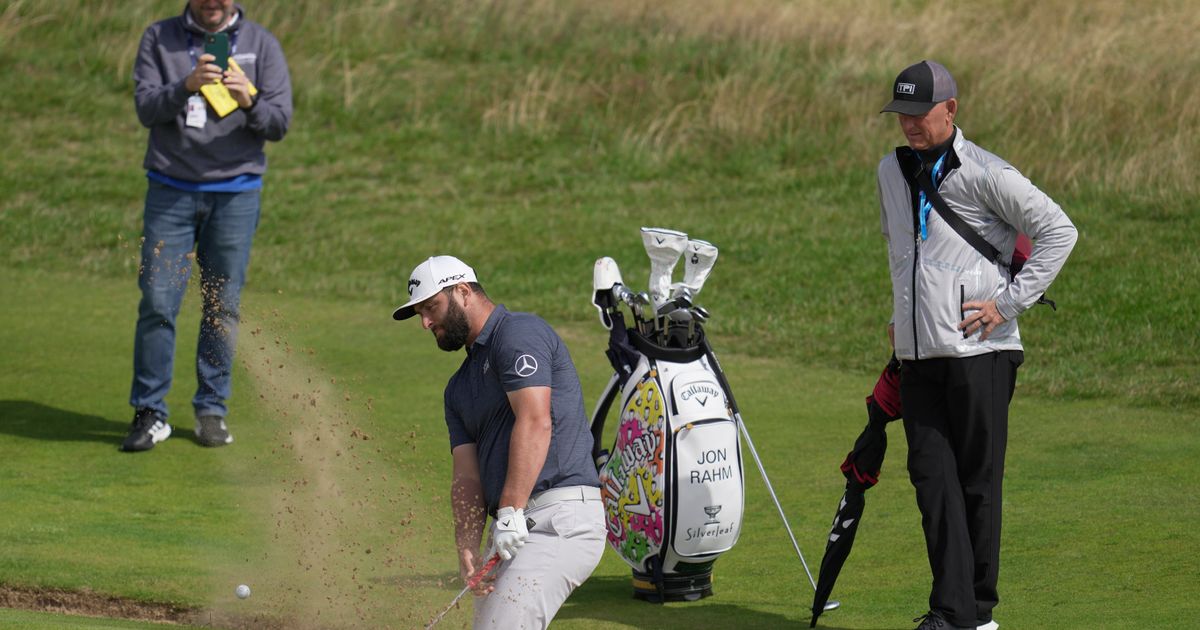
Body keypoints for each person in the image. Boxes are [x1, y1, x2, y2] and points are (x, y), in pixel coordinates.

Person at [876, 60, 1078, 630]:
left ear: (951, 109)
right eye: (902, 115)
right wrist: (900, 318)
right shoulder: (890, 172)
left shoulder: (987, 172)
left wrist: (1008, 304)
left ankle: (973, 614)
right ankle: (955, 611)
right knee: (931, 481)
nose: (910, 125)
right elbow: (899, 253)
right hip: (919, 356)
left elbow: (1060, 231)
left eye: (920, 113)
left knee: (977, 484)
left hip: (981, 351)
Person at [392, 255, 605, 629]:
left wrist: (509, 510)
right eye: (420, 314)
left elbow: (536, 421)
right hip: (514, 526)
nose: (426, 323)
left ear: (462, 292)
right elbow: (467, 478)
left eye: (431, 307)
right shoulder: (457, 388)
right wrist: (468, 544)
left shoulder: (519, 333)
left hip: (558, 519)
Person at [123, 0, 292, 451]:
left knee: (223, 304)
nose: (213, 3)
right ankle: (150, 411)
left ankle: (211, 410)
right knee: (158, 301)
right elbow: (145, 107)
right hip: (170, 189)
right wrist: (185, 85)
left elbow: (279, 123)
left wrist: (249, 98)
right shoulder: (159, 38)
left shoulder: (262, 44)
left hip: (235, 193)